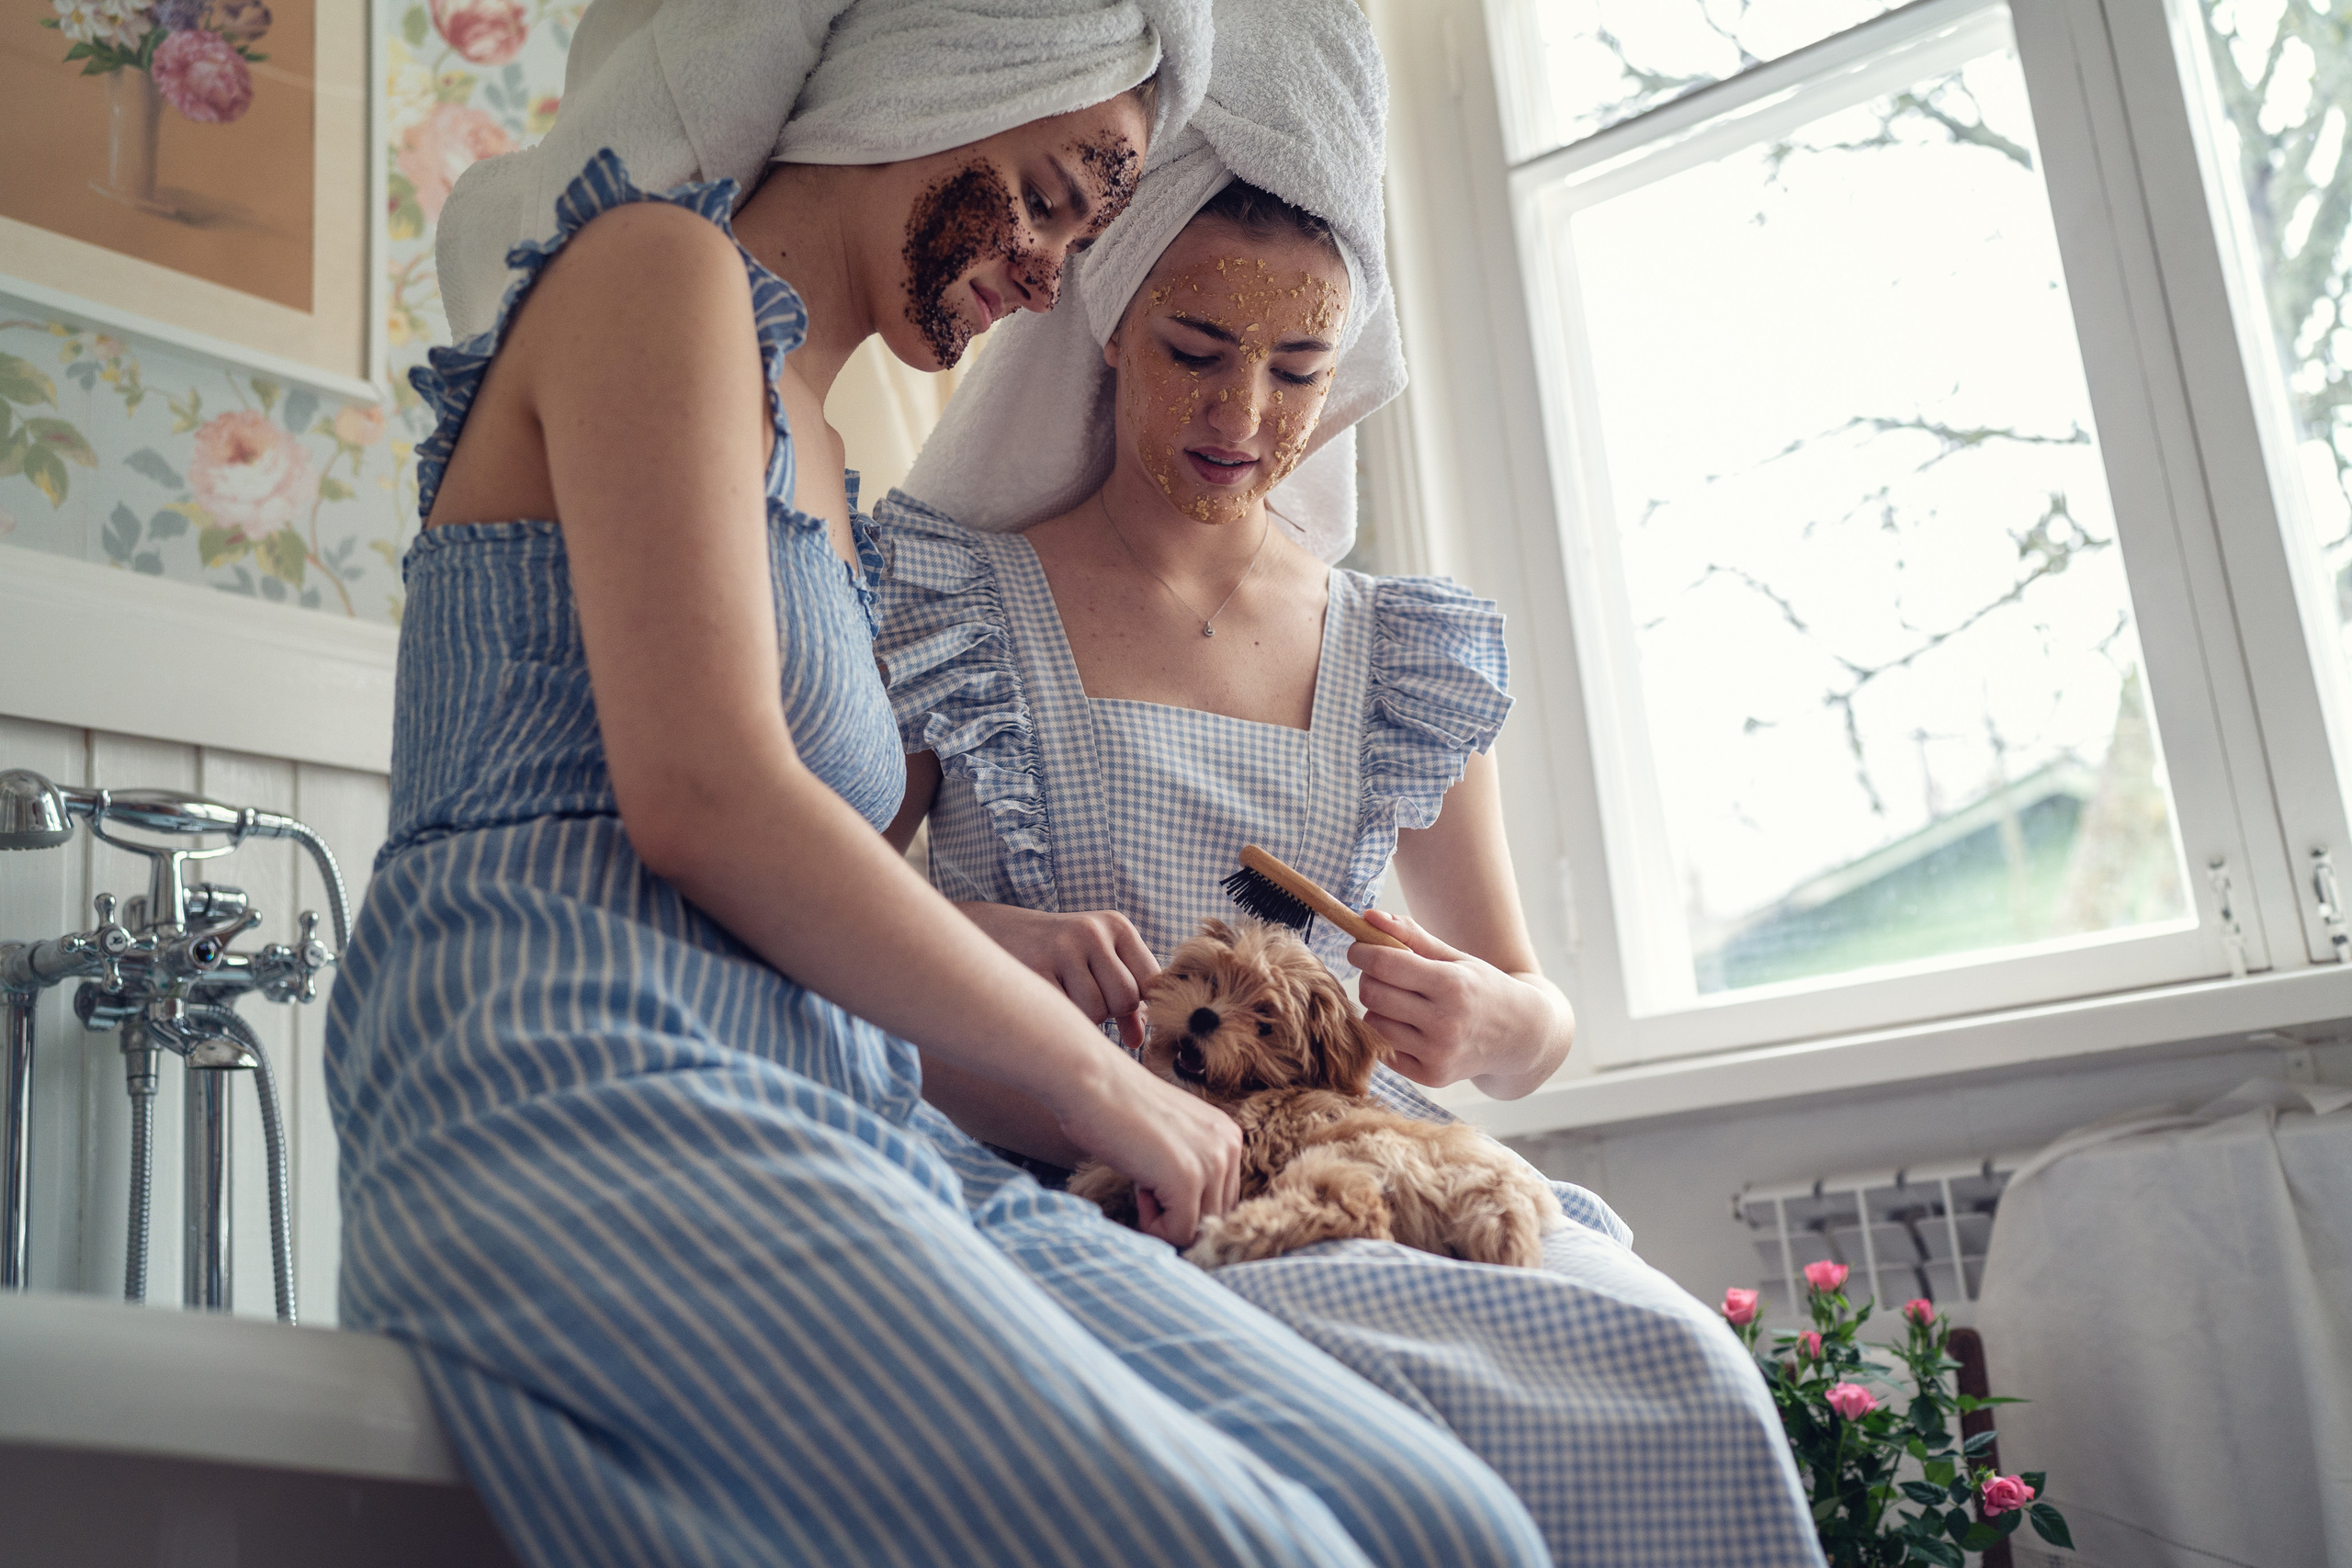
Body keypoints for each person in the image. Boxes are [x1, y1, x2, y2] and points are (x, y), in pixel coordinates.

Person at [326, 2, 1555, 1565]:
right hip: (583, 1066)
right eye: (1053, 190)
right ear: (944, 67)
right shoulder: (656, 271)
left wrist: (987, 940)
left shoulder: (828, 467)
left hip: (841, 1106)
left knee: (1449, 1526)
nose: (1050, 271)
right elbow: (703, 800)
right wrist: (1100, 1078)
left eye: (1088, 223)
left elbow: (783, 847)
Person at [876, 1, 1826, 1561]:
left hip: (1361, 1172)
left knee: (1691, 1381)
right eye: (1194, 350)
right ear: (1108, 317)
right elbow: (814, 917)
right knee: (1371, 1464)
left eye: (1301, 367)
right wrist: (991, 959)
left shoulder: (1400, 654)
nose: (1244, 418)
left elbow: (1531, 1021)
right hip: (1076, 1191)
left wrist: (1498, 1023)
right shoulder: (959, 611)